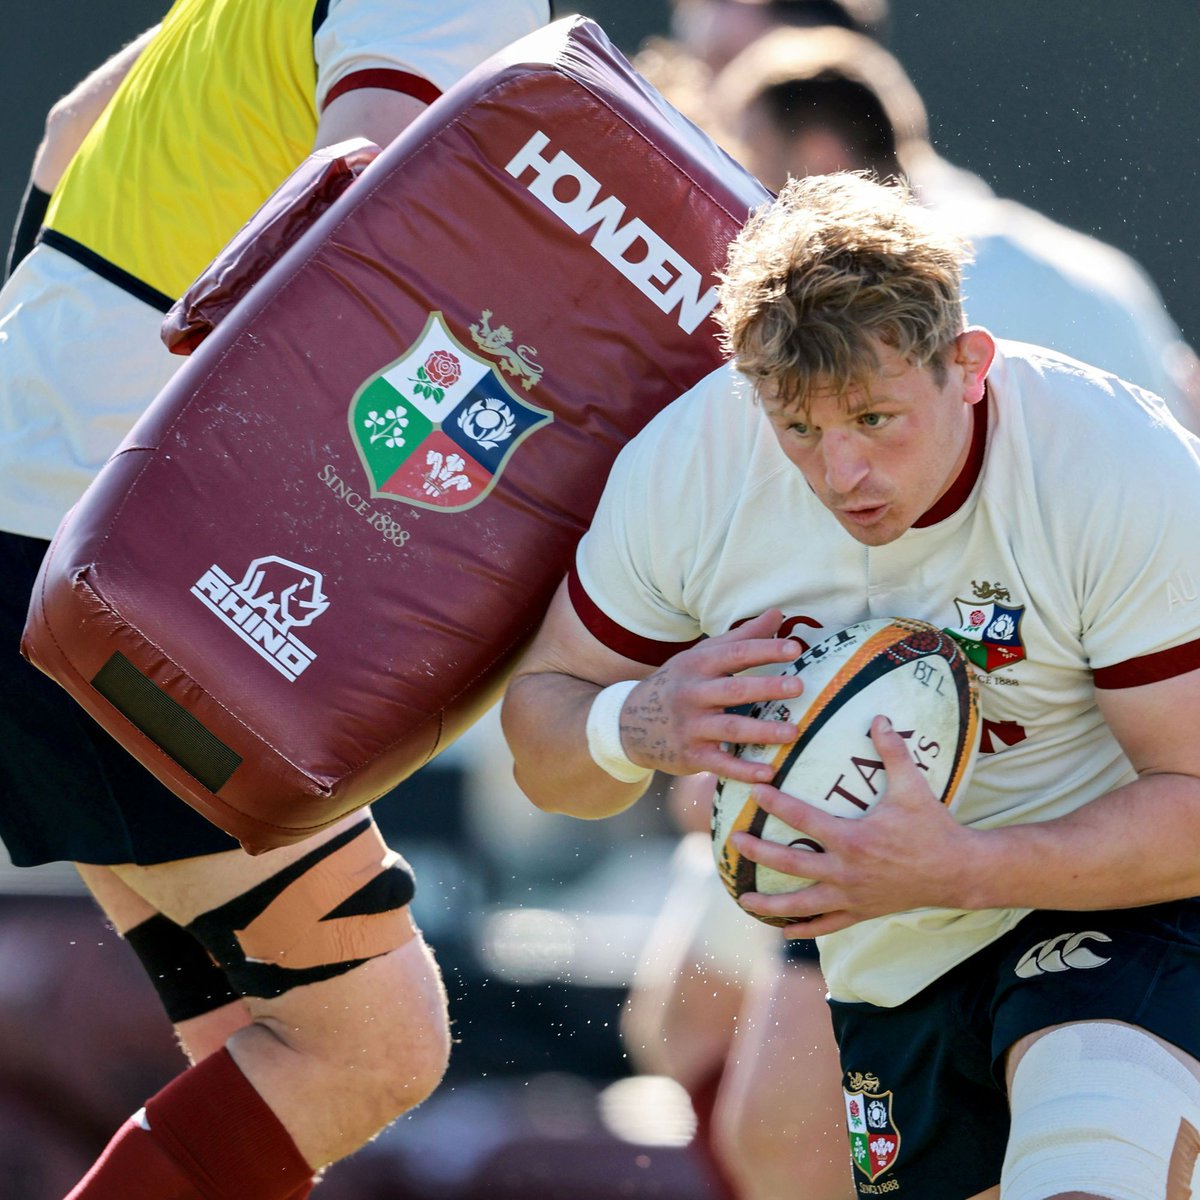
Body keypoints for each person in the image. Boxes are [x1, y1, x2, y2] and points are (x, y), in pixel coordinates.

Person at [501, 170, 1200, 1198]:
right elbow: (542, 746)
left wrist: (961, 866)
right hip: (887, 954)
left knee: (1091, 1172)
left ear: (968, 366)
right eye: (799, 427)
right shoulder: (693, 467)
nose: (841, 476)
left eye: (874, 420)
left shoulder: (1112, 465)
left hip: (1122, 895)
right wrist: (637, 722)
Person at [0, 1, 549, 1196]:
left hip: (48, 505)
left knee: (251, 1053)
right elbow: (352, 209)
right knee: (371, 1044)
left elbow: (62, 134)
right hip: (108, 551)